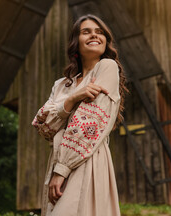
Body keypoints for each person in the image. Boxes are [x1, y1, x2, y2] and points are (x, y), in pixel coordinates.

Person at [32, 14, 128, 216]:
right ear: (76, 42)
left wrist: (62, 169)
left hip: (87, 158)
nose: (94, 35)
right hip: (59, 159)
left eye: (99, 32)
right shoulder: (61, 85)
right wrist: (72, 98)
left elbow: (89, 122)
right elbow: (43, 127)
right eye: (86, 32)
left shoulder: (107, 68)